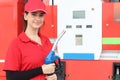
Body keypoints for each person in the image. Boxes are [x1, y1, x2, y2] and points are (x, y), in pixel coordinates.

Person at [3, 0, 57, 80]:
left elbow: (52, 67)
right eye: (34, 14)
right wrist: (41, 70)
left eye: (41, 15)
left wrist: (54, 76)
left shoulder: (46, 41)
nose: (37, 18)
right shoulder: (16, 44)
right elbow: (11, 77)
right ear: (25, 16)